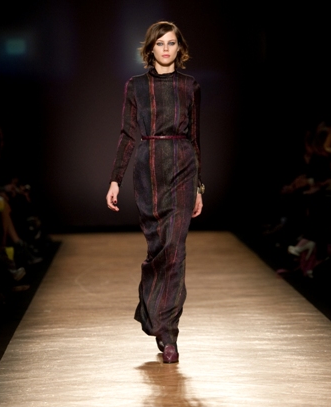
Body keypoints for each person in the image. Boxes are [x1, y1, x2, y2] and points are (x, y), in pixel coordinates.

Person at [105, 21, 204, 364]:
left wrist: (199, 186)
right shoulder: (136, 86)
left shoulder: (190, 86)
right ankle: (152, 311)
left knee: (175, 249)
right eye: (160, 43)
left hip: (183, 166)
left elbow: (195, 138)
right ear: (150, 49)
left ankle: (169, 333)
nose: (165, 49)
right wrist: (115, 180)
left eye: (171, 43)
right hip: (147, 170)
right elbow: (127, 134)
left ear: (180, 48)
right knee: (158, 249)